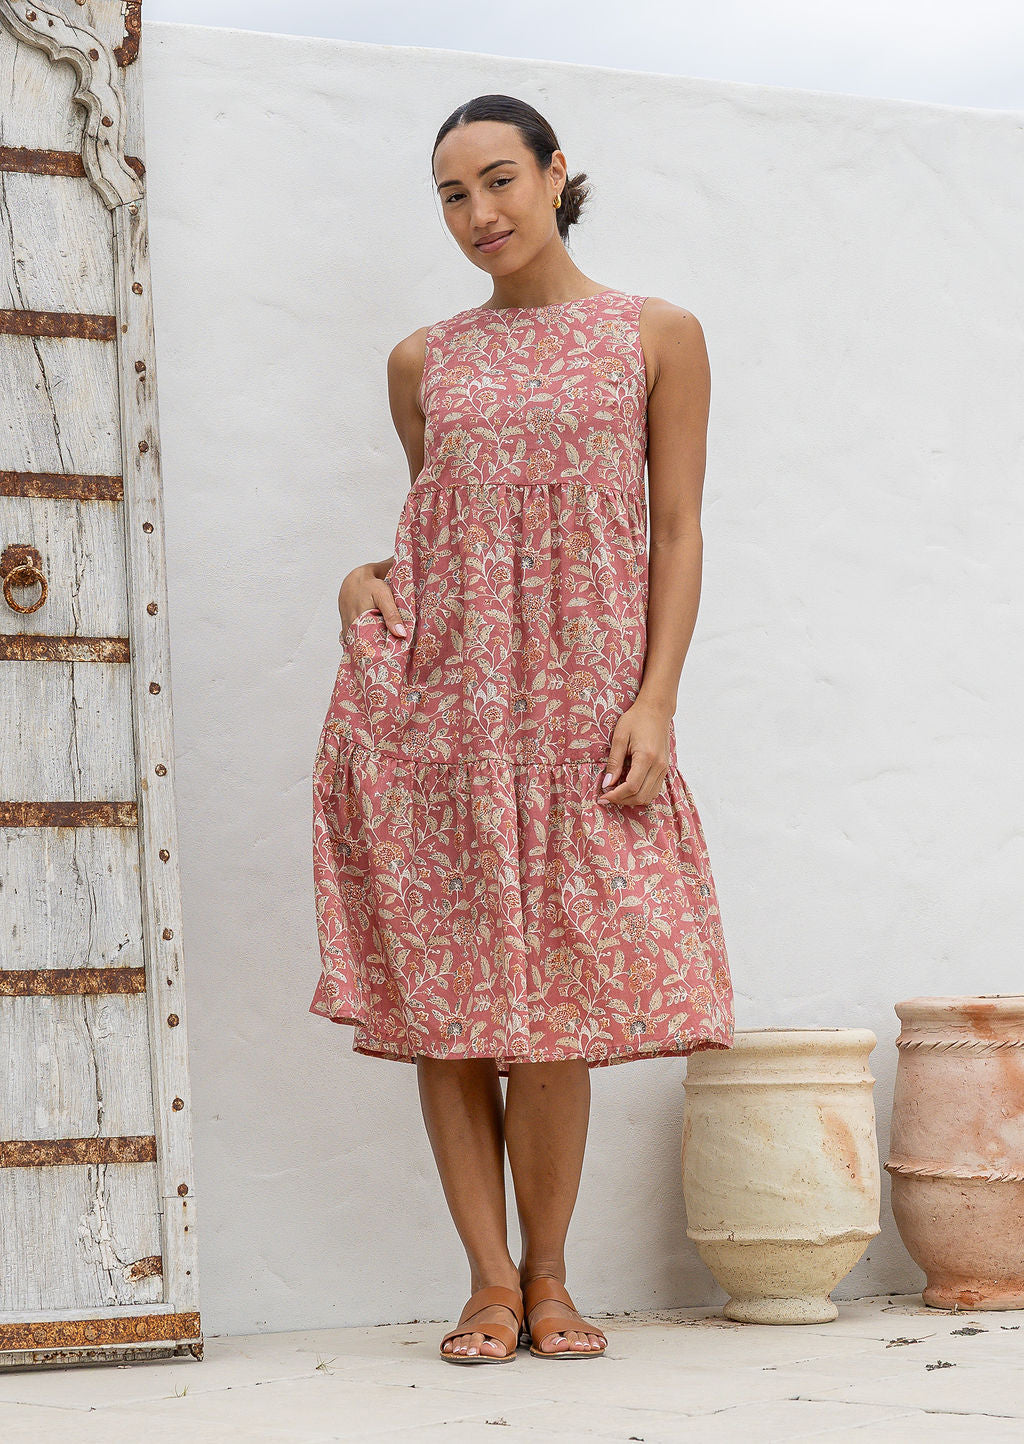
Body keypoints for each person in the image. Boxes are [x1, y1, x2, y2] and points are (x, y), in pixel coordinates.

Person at [310, 93, 735, 1364]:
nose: (478, 213)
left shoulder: (655, 336)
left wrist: (653, 698)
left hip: (579, 711)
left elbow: (674, 532)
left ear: (558, 176)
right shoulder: (420, 362)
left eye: (499, 180)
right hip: (439, 714)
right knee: (453, 1006)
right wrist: (359, 582)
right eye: (451, 194)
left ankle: (551, 1279)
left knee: (551, 1002)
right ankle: (486, 1283)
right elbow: (447, 530)